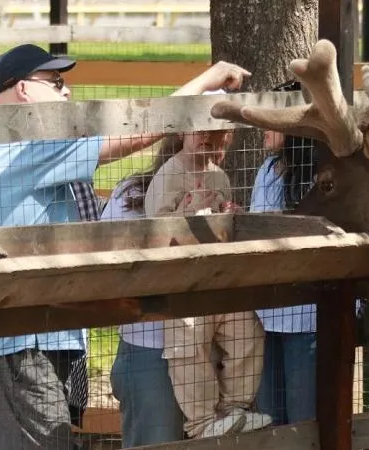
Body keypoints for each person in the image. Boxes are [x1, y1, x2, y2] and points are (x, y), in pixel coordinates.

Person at [0, 42, 249, 450]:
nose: (67, 91)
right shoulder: (25, 142)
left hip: (1, 340)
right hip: (25, 343)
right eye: (56, 82)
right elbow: (136, 132)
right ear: (23, 91)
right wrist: (210, 78)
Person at [141, 123, 272, 440]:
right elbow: (154, 237)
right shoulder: (167, 176)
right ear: (180, 133)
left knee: (247, 332)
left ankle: (234, 410)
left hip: (217, 279)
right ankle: (201, 423)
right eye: (199, 130)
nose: (205, 137)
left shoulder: (219, 175)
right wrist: (188, 212)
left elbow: (221, 225)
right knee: (188, 341)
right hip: (180, 284)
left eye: (214, 132)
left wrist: (229, 215)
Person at [249, 80, 319, 425]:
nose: (263, 127)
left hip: (308, 319)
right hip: (269, 316)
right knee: (270, 419)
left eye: (272, 118)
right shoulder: (266, 170)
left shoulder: (319, 174)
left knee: (304, 420)